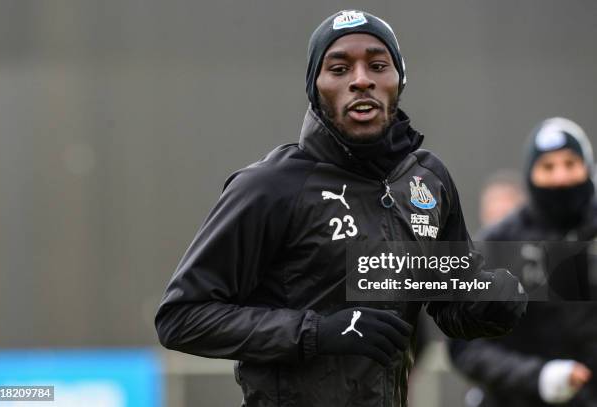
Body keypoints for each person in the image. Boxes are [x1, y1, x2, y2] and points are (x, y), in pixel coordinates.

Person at [155, 10, 526, 407]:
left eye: (378, 65)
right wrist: (319, 331)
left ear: (399, 80)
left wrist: (492, 302)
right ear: (316, 88)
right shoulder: (268, 186)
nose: (361, 79)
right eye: (339, 68)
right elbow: (182, 318)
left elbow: (450, 305)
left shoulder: (428, 179)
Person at [449, 117, 597, 407]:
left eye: (570, 164)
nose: (561, 178)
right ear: (531, 173)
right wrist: (537, 377)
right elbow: (466, 346)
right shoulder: (500, 242)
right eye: (548, 167)